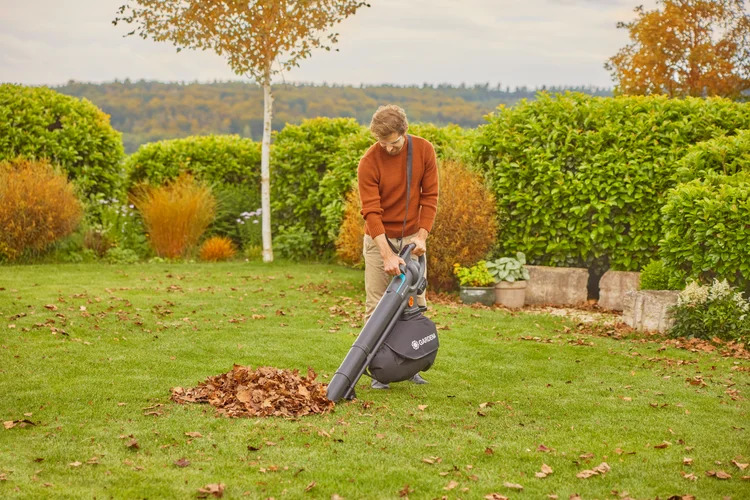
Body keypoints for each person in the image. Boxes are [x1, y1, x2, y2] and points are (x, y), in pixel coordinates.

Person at [357, 104, 439, 390]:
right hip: (379, 238)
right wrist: (386, 253)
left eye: (392, 143)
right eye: (382, 143)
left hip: (412, 239)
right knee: (377, 306)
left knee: (414, 303)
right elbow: (370, 211)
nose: (387, 148)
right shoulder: (369, 160)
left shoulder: (424, 150)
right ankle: (380, 370)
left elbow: (429, 197)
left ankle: (412, 363)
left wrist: (422, 237)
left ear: (404, 132)